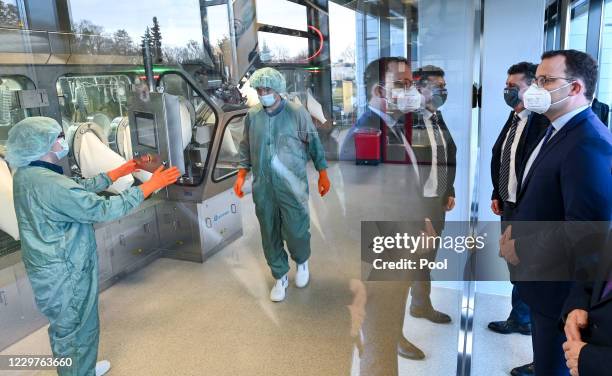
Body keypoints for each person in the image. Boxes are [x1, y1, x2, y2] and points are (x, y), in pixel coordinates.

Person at [5, 117, 181, 376]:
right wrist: (149, 186)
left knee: (71, 326)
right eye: (56, 138)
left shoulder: (28, 174)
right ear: (41, 145)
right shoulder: (46, 182)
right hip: (64, 270)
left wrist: (117, 173)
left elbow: (75, 190)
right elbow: (100, 209)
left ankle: (81, 368)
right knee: (75, 327)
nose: (61, 142)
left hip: (54, 266)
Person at [499, 50, 612, 375]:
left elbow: (586, 230)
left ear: (575, 88)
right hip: (542, 280)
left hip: (559, 290)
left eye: (546, 80)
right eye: (536, 80)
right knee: (545, 360)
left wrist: (522, 245)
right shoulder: (555, 130)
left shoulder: (588, 142)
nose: (536, 88)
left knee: (553, 368)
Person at [233, 67, 330, 302]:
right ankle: (280, 276)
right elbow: (246, 147)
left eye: (267, 89)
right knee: (269, 231)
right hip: (264, 186)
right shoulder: (253, 116)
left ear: (278, 89)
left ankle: (302, 262)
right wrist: (241, 174)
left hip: (292, 184)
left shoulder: (297, 113)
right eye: (259, 89)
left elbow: (313, 142)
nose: (263, 93)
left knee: (296, 230)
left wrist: (323, 172)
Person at [488, 62, 549, 376]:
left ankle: (542, 355)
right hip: (510, 208)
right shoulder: (515, 118)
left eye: (514, 85)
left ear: (532, 88)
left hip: (531, 214)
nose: (507, 90)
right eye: (506, 84)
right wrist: (497, 193)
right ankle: (519, 318)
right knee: (517, 269)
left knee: (533, 276)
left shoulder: (542, 123)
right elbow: (502, 156)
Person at [409, 65, 456, 325]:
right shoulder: (410, 122)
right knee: (413, 259)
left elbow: (447, 154)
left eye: (444, 87)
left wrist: (449, 189)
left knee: (427, 258)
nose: (443, 92)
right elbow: (405, 175)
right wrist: (419, 217)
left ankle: (420, 304)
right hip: (419, 204)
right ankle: (414, 309)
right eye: (438, 87)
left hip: (437, 200)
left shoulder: (435, 116)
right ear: (420, 89)